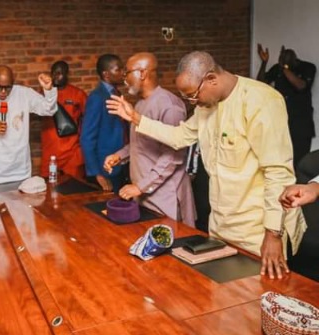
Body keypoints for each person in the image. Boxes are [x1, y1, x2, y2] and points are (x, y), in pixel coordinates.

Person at [106, 51, 307, 280]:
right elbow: (179, 136)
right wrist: (136, 118)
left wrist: (273, 234)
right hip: (221, 224)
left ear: (211, 78)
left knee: (252, 302)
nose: (193, 102)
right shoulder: (207, 106)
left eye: (192, 95)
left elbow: (278, 173)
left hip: (257, 230)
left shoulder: (261, 101)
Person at [103, 53, 195, 226]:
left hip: (165, 197)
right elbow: (140, 144)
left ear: (142, 73)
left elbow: (173, 157)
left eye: (127, 73)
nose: (124, 79)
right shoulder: (139, 105)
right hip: (144, 194)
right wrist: (119, 156)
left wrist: (140, 186)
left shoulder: (169, 105)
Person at [0, 65, 57, 184]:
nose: (3, 92)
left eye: (8, 87)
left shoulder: (24, 94)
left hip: (19, 172)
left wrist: (49, 91)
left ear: (13, 82)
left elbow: (49, 110)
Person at [257, 44, 316, 166]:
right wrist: (264, 63)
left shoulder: (308, 67)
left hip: (301, 126)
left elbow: (300, 86)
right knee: (280, 161)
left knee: (300, 163)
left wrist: (284, 68)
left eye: (287, 58)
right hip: (281, 123)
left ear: (295, 58)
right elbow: (260, 83)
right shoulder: (277, 69)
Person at [80, 54, 128, 193]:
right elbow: (87, 138)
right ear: (106, 74)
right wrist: (96, 173)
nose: (123, 73)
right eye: (118, 70)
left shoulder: (116, 93)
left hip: (120, 161)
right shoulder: (97, 97)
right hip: (105, 167)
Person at [40, 60, 87, 178]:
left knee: (74, 187)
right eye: (54, 73)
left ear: (67, 74)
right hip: (50, 151)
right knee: (48, 185)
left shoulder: (77, 94)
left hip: (72, 151)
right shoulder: (44, 94)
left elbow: (89, 120)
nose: (56, 76)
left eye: (59, 73)